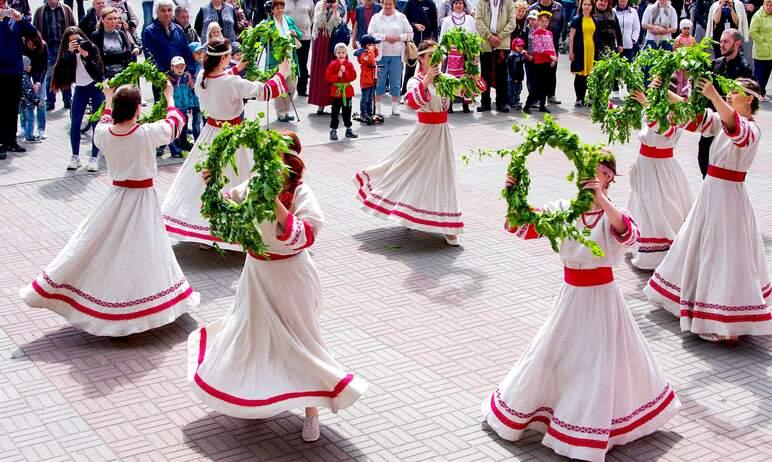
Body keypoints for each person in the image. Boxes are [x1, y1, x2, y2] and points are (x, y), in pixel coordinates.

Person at [483, 157, 680, 462]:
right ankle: (550, 413)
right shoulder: (564, 209)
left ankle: (591, 429)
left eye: (601, 173)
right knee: (553, 353)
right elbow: (522, 224)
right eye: (588, 172)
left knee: (599, 361)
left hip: (603, 299)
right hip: (571, 295)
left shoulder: (614, 213)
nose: (592, 177)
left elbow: (628, 234)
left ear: (609, 178)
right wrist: (513, 193)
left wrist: (600, 197)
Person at [191, 130, 367, 442]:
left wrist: (274, 202)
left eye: (273, 158)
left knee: (300, 340)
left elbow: (307, 234)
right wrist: (212, 187)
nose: (266, 164)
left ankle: (311, 411)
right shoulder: (255, 181)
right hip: (257, 273)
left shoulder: (301, 193)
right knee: (251, 333)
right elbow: (227, 209)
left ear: (289, 162)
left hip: (290, 277)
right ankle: (256, 392)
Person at [20, 80, 200, 336]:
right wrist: (170, 97)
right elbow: (175, 124)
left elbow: (104, 120)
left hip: (116, 196)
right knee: (145, 247)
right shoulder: (145, 133)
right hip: (142, 199)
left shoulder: (104, 133)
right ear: (137, 108)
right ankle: (139, 303)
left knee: (103, 244)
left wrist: (107, 98)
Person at [644, 77, 771, 342]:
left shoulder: (751, 130)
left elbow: (735, 127)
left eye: (733, 92)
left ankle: (723, 318)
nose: (727, 95)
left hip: (728, 197)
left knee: (721, 252)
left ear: (749, 99)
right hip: (712, 191)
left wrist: (714, 96)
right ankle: (693, 301)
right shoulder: (725, 121)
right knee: (698, 243)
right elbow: (695, 116)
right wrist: (663, 90)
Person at [161, 39, 289, 250]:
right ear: (223, 59)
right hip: (233, 134)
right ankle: (234, 231)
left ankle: (207, 231)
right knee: (237, 178)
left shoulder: (203, 76)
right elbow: (265, 91)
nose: (232, 61)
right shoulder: (232, 83)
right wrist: (282, 72)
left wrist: (239, 67)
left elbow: (223, 79)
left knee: (208, 180)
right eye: (229, 58)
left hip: (210, 133)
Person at [355, 41, 481, 246]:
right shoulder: (415, 81)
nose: (435, 60)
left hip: (442, 133)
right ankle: (407, 210)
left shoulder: (446, 80)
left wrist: (474, 68)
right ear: (421, 59)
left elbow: (470, 91)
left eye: (438, 56)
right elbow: (412, 102)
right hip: (423, 133)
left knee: (443, 176)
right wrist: (426, 80)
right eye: (430, 56)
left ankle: (449, 227)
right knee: (408, 170)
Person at [625, 89, 693, 270]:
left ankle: (663, 251)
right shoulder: (654, 109)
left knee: (659, 204)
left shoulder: (678, 113)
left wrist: (646, 104)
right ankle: (641, 244)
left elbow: (666, 131)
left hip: (661, 166)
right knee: (644, 203)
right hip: (646, 163)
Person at [696, 28, 752, 178]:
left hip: (728, 124)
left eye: (726, 41)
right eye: (721, 41)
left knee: (722, 162)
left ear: (737, 43)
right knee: (703, 157)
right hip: (711, 120)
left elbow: (743, 101)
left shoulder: (744, 69)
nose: (722, 44)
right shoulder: (716, 64)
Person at [51, 27, 105, 172]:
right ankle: (75, 156)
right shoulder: (67, 54)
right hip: (80, 89)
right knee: (75, 124)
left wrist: (86, 56)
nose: (77, 43)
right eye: (73, 41)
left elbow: (99, 75)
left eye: (78, 39)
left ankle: (94, 157)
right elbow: (60, 70)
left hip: (95, 88)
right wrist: (68, 53)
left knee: (96, 123)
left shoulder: (90, 48)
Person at [367, 0, 413, 119]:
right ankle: (378, 107)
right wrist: (385, 37)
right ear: (382, 4)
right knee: (379, 81)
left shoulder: (401, 17)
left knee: (396, 81)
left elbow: (410, 34)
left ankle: (395, 106)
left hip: (397, 55)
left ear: (394, 4)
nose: (387, 6)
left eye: (390, 4)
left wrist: (398, 37)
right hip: (380, 55)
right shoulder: (376, 17)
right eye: (385, 4)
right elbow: (370, 34)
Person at [263, 0, 302, 123]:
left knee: (291, 86)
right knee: (279, 87)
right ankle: (281, 113)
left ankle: (286, 110)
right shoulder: (267, 23)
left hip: (290, 58)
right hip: (276, 60)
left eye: (282, 7)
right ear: (272, 10)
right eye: (277, 8)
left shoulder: (289, 20)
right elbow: (263, 41)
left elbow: (300, 34)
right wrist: (268, 37)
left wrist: (295, 33)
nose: (280, 10)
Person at [34, 0, 76, 111]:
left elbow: (73, 27)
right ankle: (50, 101)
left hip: (64, 47)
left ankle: (68, 100)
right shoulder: (40, 11)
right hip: (48, 48)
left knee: (66, 74)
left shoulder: (66, 9)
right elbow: (35, 30)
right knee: (49, 76)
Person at [476, 0, 516, 112]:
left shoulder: (509, 2)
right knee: (485, 73)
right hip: (485, 42)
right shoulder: (482, 2)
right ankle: (485, 102)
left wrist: (500, 36)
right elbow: (478, 20)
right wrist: (489, 36)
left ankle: (501, 103)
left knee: (502, 74)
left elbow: (512, 23)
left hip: (502, 43)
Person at [440, 0, 477, 113]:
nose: (458, 5)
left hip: (466, 54)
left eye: (460, 3)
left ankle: (465, 105)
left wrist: (474, 53)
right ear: (452, 6)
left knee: (466, 79)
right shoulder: (447, 20)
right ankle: (449, 104)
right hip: (452, 55)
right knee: (451, 79)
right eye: (456, 3)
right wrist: (443, 53)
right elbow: (442, 37)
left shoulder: (470, 19)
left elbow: (474, 36)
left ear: (464, 5)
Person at [309, 0, 345, 115]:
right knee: (321, 72)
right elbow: (318, 24)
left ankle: (336, 102)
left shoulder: (340, 5)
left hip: (335, 41)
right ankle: (321, 103)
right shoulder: (320, 4)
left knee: (336, 71)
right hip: (322, 42)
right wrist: (324, 10)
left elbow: (338, 24)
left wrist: (335, 11)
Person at [142, 0, 195, 77]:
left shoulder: (178, 29)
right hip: (162, 80)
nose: (167, 13)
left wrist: (189, 71)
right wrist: (163, 75)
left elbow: (187, 52)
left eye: (169, 10)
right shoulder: (149, 31)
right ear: (157, 13)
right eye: (163, 11)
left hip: (181, 77)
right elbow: (151, 57)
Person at [402, 0, 439, 96]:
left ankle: (429, 92)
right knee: (410, 67)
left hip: (427, 42)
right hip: (413, 41)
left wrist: (435, 41)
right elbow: (404, 20)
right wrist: (414, 25)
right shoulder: (410, 3)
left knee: (428, 67)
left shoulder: (430, 3)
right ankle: (406, 92)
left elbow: (434, 24)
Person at [92, 7, 140, 80]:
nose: (113, 21)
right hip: (106, 75)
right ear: (102, 20)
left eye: (115, 18)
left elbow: (128, 51)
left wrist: (135, 48)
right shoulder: (96, 35)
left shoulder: (121, 33)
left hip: (123, 73)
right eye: (110, 19)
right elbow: (100, 57)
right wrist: (122, 55)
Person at [528, 0, 562, 105]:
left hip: (552, 41)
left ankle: (551, 95)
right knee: (536, 75)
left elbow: (562, 24)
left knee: (551, 71)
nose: (544, 23)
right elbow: (528, 25)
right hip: (538, 48)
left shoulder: (558, 7)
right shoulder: (533, 7)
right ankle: (534, 99)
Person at [523, 11, 557, 114]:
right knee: (536, 86)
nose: (544, 23)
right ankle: (527, 105)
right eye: (542, 21)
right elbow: (538, 48)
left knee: (545, 85)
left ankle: (542, 105)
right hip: (539, 62)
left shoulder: (549, 33)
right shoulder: (536, 33)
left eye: (546, 21)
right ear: (538, 21)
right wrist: (549, 55)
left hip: (548, 62)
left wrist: (553, 58)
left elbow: (552, 46)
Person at [326, 42, 358, 140]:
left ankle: (348, 128)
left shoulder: (349, 64)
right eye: (339, 52)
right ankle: (333, 130)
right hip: (336, 92)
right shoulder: (332, 64)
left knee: (347, 111)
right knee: (335, 112)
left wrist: (345, 72)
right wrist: (337, 76)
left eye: (343, 52)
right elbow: (328, 77)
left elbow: (353, 76)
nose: (341, 54)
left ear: (346, 54)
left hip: (347, 91)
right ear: (336, 53)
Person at [569, 0, 597, 107]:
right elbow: (571, 36)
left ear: (592, 6)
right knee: (580, 75)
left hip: (592, 50)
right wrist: (571, 51)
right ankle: (579, 98)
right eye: (585, 4)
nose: (587, 6)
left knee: (591, 76)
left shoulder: (594, 19)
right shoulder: (577, 19)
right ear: (581, 6)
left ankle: (589, 99)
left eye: (589, 5)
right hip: (580, 50)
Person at [22, 30, 49, 142]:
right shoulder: (22, 45)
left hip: (39, 72)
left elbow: (44, 67)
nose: (30, 46)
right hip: (25, 74)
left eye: (33, 44)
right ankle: (24, 128)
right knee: (25, 101)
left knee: (41, 100)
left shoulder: (43, 46)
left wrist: (38, 82)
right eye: (28, 44)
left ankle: (41, 129)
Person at [284, 0, 315, 97]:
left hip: (304, 37)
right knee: (287, 63)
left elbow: (312, 16)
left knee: (302, 63)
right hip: (287, 37)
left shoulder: (309, 1)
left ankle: (302, 89)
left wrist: (306, 27)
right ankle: (286, 88)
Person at [167, 55, 195, 157]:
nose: (180, 69)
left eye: (182, 67)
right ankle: (174, 149)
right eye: (177, 67)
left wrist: (190, 106)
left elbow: (189, 93)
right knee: (174, 129)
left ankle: (183, 144)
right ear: (172, 67)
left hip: (184, 108)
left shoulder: (185, 78)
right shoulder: (169, 79)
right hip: (175, 109)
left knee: (183, 128)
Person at [749, 0, 772, 100]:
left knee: (766, 75)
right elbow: (752, 32)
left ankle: (762, 93)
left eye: (771, 5)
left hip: (771, 52)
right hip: (761, 51)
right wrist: (762, 41)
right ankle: (758, 93)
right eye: (767, 5)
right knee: (760, 76)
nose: (769, 7)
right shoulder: (757, 16)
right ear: (763, 5)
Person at [355, 34, 380, 124]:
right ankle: (363, 113)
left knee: (370, 98)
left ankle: (369, 113)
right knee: (365, 98)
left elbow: (376, 54)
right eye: (372, 44)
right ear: (366, 45)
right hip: (366, 80)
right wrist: (369, 51)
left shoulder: (371, 53)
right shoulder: (363, 54)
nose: (374, 46)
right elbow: (368, 61)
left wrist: (372, 49)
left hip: (372, 79)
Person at [19, 56, 40, 143]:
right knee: (30, 119)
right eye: (30, 65)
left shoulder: (20, 75)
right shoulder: (25, 77)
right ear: (25, 66)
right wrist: (36, 100)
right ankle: (29, 136)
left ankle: (25, 132)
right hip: (28, 103)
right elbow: (29, 91)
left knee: (23, 118)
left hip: (22, 103)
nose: (31, 67)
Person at [673, 18, 697, 96]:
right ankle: (679, 93)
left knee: (687, 79)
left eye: (688, 28)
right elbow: (675, 50)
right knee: (679, 78)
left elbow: (695, 49)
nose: (686, 30)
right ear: (681, 29)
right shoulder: (678, 39)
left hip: (689, 62)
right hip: (680, 62)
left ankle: (686, 94)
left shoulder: (692, 39)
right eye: (684, 28)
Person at [187, 41, 204, 141]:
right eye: (197, 53)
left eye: (201, 52)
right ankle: (196, 139)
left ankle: (200, 139)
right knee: (193, 120)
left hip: (200, 98)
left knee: (200, 119)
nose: (200, 54)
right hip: (191, 98)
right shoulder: (189, 67)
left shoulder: (204, 65)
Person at [506, 37, 526, 110]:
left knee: (519, 89)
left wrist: (523, 55)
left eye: (521, 46)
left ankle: (516, 101)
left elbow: (522, 63)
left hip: (519, 77)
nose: (520, 47)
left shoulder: (519, 55)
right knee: (512, 91)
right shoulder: (511, 56)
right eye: (518, 46)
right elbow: (510, 68)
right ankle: (512, 103)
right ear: (514, 46)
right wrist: (514, 78)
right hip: (512, 78)